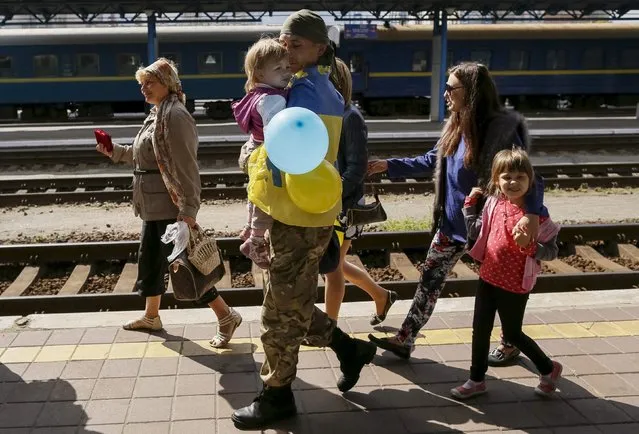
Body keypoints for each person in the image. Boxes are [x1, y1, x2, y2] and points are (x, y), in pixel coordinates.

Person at [231, 10, 377, 430]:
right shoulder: (316, 87)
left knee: (278, 313)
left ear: (318, 48)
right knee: (288, 302)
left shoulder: (306, 94)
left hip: (298, 215)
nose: (286, 50)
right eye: (284, 42)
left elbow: (281, 155)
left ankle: (277, 396)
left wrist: (249, 155)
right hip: (300, 212)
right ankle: (349, 349)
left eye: (295, 44)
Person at [366, 62, 546, 360]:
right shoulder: (456, 125)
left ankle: (510, 341)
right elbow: (430, 160)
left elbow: (528, 176)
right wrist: (388, 165)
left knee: (501, 288)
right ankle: (405, 338)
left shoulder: (499, 132)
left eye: (451, 88)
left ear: (472, 92)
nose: (445, 93)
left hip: (489, 230)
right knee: (429, 280)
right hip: (452, 226)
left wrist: (531, 214)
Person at [96, 58, 242, 348]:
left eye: (149, 82)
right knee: (150, 261)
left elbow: (187, 167)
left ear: (168, 83)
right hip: (152, 205)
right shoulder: (157, 114)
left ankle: (226, 315)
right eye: (141, 84)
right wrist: (113, 151)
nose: (143, 88)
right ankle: (152, 316)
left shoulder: (175, 116)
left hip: (169, 206)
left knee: (185, 267)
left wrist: (188, 211)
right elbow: (143, 156)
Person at [451, 148, 562, 399]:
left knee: (512, 334)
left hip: (515, 284)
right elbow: (477, 231)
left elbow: (552, 251)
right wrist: (469, 207)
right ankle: (476, 379)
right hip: (488, 276)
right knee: (479, 329)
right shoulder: (493, 203)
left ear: (530, 182)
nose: (513, 182)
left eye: (520, 177)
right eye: (506, 177)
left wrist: (531, 247)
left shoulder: (538, 218)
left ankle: (548, 368)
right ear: (496, 180)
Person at [324, 57, 397, 323]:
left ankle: (328, 327)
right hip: (331, 202)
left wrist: (332, 199)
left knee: (332, 268)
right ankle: (380, 296)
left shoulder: (350, 117)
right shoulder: (331, 115)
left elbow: (356, 168)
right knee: (336, 264)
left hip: (344, 206)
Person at [232, 38, 292, 269]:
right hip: (266, 150)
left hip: (252, 145)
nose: (286, 73)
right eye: (278, 69)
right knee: (266, 195)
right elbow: (274, 130)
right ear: (258, 72)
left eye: (287, 67)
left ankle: (249, 228)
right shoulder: (274, 99)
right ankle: (256, 241)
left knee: (254, 193)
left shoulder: (257, 93)